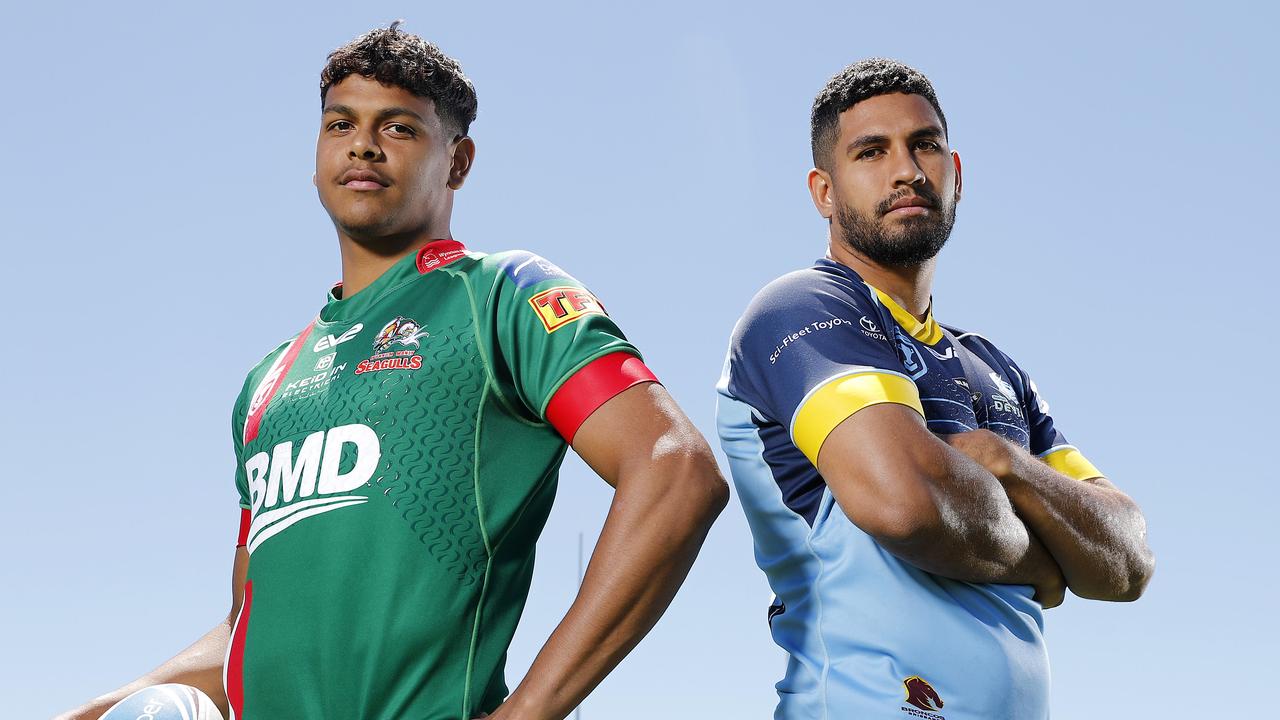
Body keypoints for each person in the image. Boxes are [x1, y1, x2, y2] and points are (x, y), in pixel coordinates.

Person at [60, 23, 728, 720]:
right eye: (339, 123)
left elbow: (675, 471)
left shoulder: (503, 296)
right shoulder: (267, 381)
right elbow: (250, 628)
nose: (362, 144)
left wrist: (528, 712)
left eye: (400, 128)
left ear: (457, 162)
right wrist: (106, 704)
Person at [715, 58, 1154, 719]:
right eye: (871, 151)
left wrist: (1006, 463)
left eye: (925, 145)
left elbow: (1127, 559)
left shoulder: (994, 366)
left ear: (957, 173)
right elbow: (907, 504)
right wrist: (1048, 563)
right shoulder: (801, 308)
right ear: (824, 192)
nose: (907, 170)